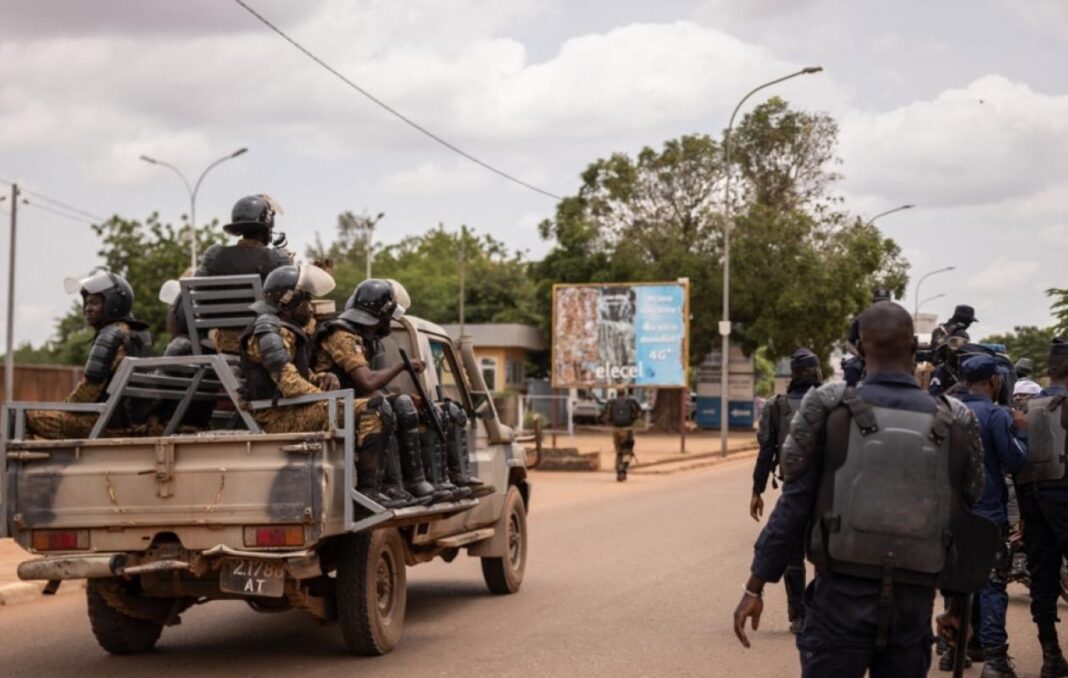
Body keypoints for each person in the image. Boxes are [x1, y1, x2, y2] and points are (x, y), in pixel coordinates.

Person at [732, 301, 986, 677]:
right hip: (912, 608)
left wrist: (755, 587)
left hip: (838, 603)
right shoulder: (956, 420)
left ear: (859, 349)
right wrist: (958, 610)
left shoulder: (828, 410)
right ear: (915, 351)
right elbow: (967, 517)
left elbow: (793, 508)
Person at [312, 279, 489, 504]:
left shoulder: (366, 338)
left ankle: (438, 480)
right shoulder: (342, 335)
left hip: (354, 401)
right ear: (379, 315)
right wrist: (402, 366)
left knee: (432, 408)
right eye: (389, 316)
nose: (391, 321)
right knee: (395, 406)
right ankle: (397, 485)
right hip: (333, 406)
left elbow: (369, 388)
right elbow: (366, 382)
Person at [239, 264, 401, 508]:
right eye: (306, 301)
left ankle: (379, 488)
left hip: (292, 409)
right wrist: (332, 399)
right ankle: (368, 492)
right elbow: (290, 385)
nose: (310, 307)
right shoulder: (268, 332)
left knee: (380, 406)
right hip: (277, 417)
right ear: (288, 301)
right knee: (374, 408)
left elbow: (300, 374)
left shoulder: (283, 330)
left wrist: (322, 377)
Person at [955, 355, 1028, 677]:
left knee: (955, 582)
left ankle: (954, 652)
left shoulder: (946, 411)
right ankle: (995, 660)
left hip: (951, 514)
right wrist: (1023, 433)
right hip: (987, 514)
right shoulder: (997, 415)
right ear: (994, 382)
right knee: (992, 584)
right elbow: (1014, 461)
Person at [27, 271, 153, 439]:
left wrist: (61, 409)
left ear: (113, 303)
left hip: (105, 424)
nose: (87, 308)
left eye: (94, 303)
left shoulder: (111, 335)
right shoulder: (140, 334)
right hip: (131, 422)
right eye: (86, 303)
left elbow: (88, 392)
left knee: (23, 416)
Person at [750, 347, 822, 633]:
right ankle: (817, 611)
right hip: (828, 492)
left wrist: (757, 491)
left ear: (792, 376)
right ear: (817, 372)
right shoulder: (833, 403)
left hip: (793, 489)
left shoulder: (776, 406)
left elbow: (766, 452)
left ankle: (798, 615)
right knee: (825, 555)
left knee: (793, 557)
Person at [1015, 337, 1068, 678]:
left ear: (1049, 371)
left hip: (1032, 502)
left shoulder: (1025, 410)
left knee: (1043, 579)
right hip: (1064, 499)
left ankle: (1050, 654)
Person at [193, 194, 292, 353]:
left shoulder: (213, 256)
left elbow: (198, 292)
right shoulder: (277, 258)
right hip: (261, 342)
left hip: (221, 342)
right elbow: (288, 302)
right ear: (266, 228)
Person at [843, 287, 892, 387]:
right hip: (865, 359)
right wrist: (858, 355)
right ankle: (848, 398)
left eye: (884, 303)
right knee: (851, 369)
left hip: (890, 360)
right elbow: (849, 343)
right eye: (878, 303)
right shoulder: (861, 319)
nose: (881, 306)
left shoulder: (897, 320)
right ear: (873, 303)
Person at [602, 390, 642, 481]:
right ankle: (623, 469)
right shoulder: (630, 402)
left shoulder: (612, 403)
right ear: (625, 393)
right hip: (627, 429)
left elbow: (607, 417)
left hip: (615, 430)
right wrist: (632, 420)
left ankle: (618, 471)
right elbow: (639, 414)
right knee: (627, 451)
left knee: (618, 451)